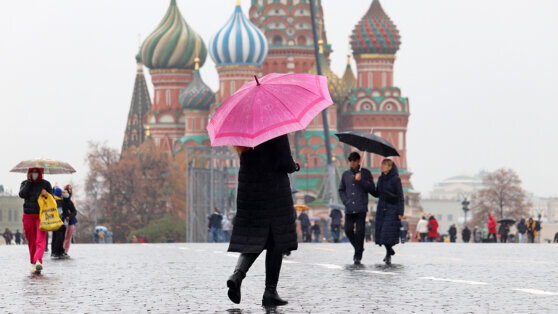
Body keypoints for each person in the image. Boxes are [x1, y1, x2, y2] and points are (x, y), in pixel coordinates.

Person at [226, 135, 300, 307]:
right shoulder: (275, 131)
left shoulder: (244, 135)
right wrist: (294, 166)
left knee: (255, 238)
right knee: (277, 240)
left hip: (250, 192)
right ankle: (270, 292)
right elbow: (284, 161)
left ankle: (237, 275)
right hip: (273, 192)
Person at [339, 152, 376, 265]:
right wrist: (346, 201)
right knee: (348, 230)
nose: (352, 162)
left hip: (361, 208)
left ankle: (357, 256)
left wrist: (361, 180)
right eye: (350, 160)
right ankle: (359, 248)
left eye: (354, 160)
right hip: (349, 208)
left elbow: (372, 190)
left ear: (359, 161)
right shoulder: (345, 174)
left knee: (360, 232)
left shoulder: (366, 173)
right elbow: (341, 190)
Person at [19, 168, 53, 274]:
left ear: (40, 172)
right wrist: (29, 182)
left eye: (36, 171)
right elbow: (22, 194)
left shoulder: (46, 184)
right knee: (31, 240)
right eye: (32, 172)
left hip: (41, 215)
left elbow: (52, 199)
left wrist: (46, 194)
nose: (34, 174)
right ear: (29, 173)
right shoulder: (24, 183)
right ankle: (34, 263)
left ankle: (38, 260)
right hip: (28, 215)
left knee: (40, 239)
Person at [374, 159, 404, 265]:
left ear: (390, 167)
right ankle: (389, 251)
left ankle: (388, 254)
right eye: (382, 164)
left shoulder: (396, 179)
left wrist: (401, 212)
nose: (381, 166)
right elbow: (377, 193)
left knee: (387, 232)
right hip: (381, 208)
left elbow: (400, 196)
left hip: (392, 208)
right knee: (382, 232)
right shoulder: (381, 179)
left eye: (384, 165)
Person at [50, 187, 67, 259]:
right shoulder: (58, 201)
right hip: (59, 222)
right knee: (59, 238)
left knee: (55, 237)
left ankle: (56, 252)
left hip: (55, 222)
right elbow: (60, 212)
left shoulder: (54, 200)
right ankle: (57, 252)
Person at [63, 184, 78, 254]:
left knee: (69, 236)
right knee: (64, 236)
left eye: (70, 189)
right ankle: (62, 249)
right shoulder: (62, 199)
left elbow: (75, 210)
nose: (69, 190)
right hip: (64, 219)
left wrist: (70, 216)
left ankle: (66, 250)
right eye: (68, 189)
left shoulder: (72, 199)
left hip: (71, 219)